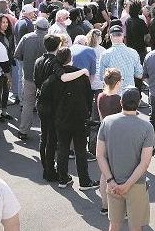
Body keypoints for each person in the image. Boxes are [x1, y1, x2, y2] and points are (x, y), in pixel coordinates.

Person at [96, 87, 155, 231]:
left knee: (114, 226)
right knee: (136, 229)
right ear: (138, 104)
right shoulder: (146, 126)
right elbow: (144, 163)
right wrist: (128, 185)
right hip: (136, 186)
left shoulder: (107, 122)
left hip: (113, 186)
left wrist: (112, 181)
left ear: (121, 102)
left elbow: (100, 155)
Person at [52, 47, 99, 190]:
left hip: (61, 117)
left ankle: (62, 178)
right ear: (70, 58)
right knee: (80, 150)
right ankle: (84, 181)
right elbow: (87, 96)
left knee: (63, 148)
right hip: (79, 116)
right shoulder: (81, 75)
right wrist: (87, 112)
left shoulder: (56, 75)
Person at [13, 17, 49, 141]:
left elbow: (17, 55)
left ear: (36, 27)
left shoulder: (27, 38)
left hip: (29, 77)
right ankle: (47, 133)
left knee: (28, 104)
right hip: (46, 79)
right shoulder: (50, 39)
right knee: (47, 105)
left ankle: (23, 131)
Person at [99, 25, 144, 92]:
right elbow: (139, 74)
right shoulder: (133, 52)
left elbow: (102, 76)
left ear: (110, 37)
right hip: (129, 93)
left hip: (113, 93)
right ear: (122, 36)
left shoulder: (105, 54)